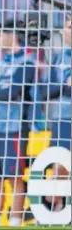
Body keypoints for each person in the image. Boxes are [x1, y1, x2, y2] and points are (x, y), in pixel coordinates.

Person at [0, 20, 39, 227]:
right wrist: (0, 94)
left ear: (12, 35)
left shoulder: (27, 63)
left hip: (14, 128)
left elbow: (13, 92)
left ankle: (15, 221)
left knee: (14, 178)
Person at [42, 16, 71, 211]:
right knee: (58, 168)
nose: (65, 31)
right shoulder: (60, 57)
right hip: (62, 120)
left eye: (69, 27)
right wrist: (66, 88)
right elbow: (47, 91)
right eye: (66, 27)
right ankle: (56, 211)